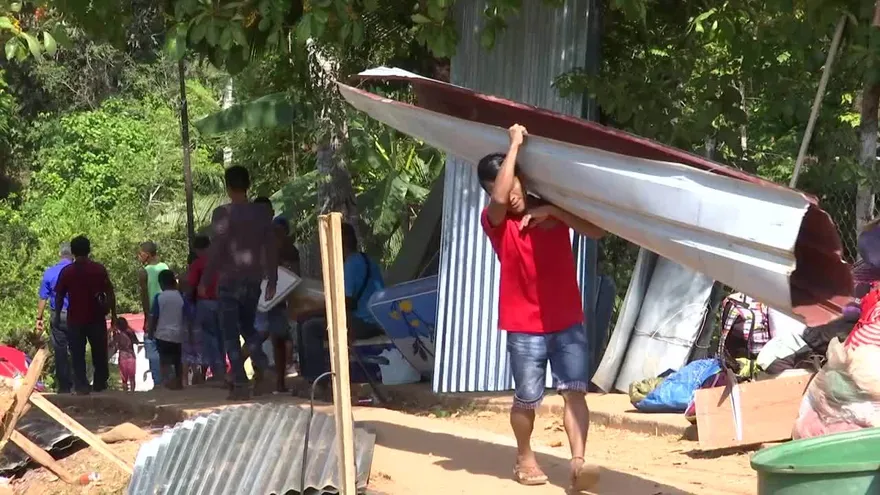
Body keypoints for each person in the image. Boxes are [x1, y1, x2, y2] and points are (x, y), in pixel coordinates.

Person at [477, 124, 605, 491]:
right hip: (524, 325)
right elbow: (500, 199)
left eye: (515, 182)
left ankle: (578, 463)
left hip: (566, 321)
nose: (509, 191)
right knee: (527, 399)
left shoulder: (553, 213)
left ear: (524, 179)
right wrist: (514, 144)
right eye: (497, 186)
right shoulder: (496, 223)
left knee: (574, 392)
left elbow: (597, 232)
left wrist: (552, 211)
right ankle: (524, 455)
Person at [201, 166, 278, 400]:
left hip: (229, 280)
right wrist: (272, 278)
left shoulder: (222, 213)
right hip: (253, 279)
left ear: (227, 186)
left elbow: (217, 249)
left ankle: (240, 383)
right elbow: (271, 247)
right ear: (249, 185)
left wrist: (206, 279)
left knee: (230, 333)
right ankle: (263, 367)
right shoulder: (262, 214)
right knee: (247, 327)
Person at [298, 222, 384, 385]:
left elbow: (346, 303)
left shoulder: (351, 264)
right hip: (376, 319)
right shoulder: (368, 260)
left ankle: (316, 381)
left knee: (309, 327)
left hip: (362, 322)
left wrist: (311, 312)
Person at [53, 235, 117, 395]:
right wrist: (113, 313)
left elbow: (59, 295)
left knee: (77, 353)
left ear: (73, 252)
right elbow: (110, 291)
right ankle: (100, 383)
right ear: (89, 250)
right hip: (96, 317)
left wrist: (56, 316)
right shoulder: (98, 269)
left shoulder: (67, 272)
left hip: (75, 318)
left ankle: (81, 384)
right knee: (99, 351)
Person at [187, 234, 225, 385]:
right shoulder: (221, 262)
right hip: (223, 302)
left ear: (197, 249)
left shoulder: (198, 264)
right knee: (223, 337)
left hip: (205, 303)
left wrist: (190, 302)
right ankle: (223, 369)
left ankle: (217, 371)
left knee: (210, 338)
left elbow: (191, 285)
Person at [36, 242, 74, 393]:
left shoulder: (49, 273)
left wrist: (39, 318)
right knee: (77, 349)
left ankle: (64, 386)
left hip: (57, 316)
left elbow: (43, 298)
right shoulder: (77, 272)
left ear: (60, 255)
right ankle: (79, 384)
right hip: (76, 316)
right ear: (73, 255)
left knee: (60, 350)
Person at [148, 270, 186, 390]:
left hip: (163, 334)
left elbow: (154, 316)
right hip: (179, 334)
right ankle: (179, 381)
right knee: (178, 359)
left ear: (161, 283)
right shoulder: (181, 297)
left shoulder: (159, 297)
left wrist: (150, 331)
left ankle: (166, 382)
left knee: (164, 360)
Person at [138, 241, 168, 387]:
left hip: (152, 313)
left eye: (141, 253)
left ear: (147, 255)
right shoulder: (165, 267)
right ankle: (170, 380)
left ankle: (158, 383)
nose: (139, 256)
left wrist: (146, 318)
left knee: (152, 347)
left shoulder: (144, 272)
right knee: (167, 346)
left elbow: (145, 297)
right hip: (166, 311)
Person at [109, 317, 140, 392]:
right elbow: (137, 342)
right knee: (132, 377)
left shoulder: (117, 335)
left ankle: (125, 392)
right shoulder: (131, 332)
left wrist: (109, 332)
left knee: (124, 378)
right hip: (131, 356)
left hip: (122, 357)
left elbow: (111, 345)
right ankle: (132, 391)